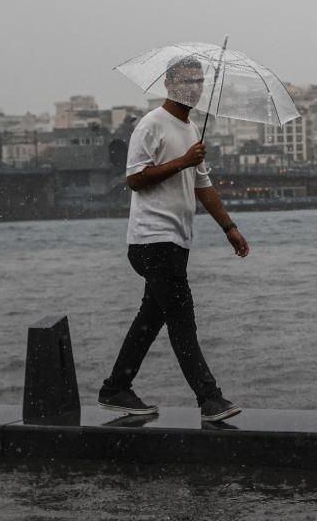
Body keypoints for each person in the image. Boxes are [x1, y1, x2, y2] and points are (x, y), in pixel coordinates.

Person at [98, 56, 248, 423]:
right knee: (183, 321)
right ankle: (209, 399)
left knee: (151, 319)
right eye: (186, 81)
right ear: (168, 84)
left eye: (198, 81)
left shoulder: (193, 129)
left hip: (175, 242)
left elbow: (203, 186)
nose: (194, 88)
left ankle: (117, 387)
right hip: (152, 241)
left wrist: (229, 227)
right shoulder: (151, 125)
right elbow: (134, 178)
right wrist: (182, 161)